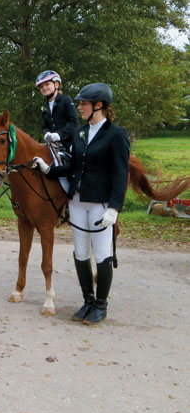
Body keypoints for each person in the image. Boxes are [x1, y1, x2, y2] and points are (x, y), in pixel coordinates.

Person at [32, 83, 130, 325]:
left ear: (99, 106)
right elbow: (73, 167)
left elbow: (120, 174)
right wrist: (49, 170)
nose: (80, 107)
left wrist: (114, 208)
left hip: (100, 203)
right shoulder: (80, 133)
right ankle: (87, 301)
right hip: (77, 202)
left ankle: (101, 305)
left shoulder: (117, 135)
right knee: (82, 253)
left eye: (84, 103)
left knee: (102, 255)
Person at [36, 70, 78, 150]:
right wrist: (46, 133)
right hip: (54, 144)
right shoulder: (44, 106)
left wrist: (60, 134)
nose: (44, 87)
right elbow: (45, 126)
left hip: (70, 143)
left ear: (56, 84)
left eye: (47, 84)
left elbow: (73, 121)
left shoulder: (66, 100)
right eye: (41, 87)